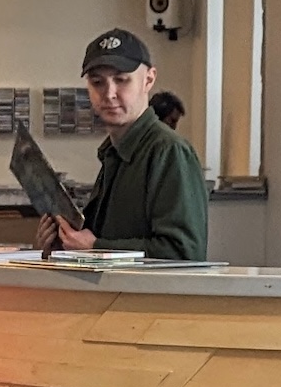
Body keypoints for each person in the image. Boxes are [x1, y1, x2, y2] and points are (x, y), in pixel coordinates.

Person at [37, 28, 208, 261]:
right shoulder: (112, 152)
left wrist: (96, 247)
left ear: (148, 80)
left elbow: (183, 253)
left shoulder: (169, 151)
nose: (109, 93)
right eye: (97, 82)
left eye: (121, 80)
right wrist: (62, 245)